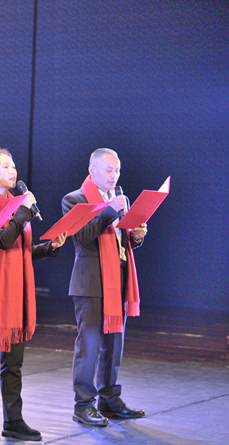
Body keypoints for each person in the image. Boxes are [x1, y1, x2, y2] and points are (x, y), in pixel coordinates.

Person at [0, 148, 66, 442]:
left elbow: (21, 251)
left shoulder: (17, 205)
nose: (13, 171)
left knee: (14, 363)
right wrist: (23, 212)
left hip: (16, 293)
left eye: (13, 166)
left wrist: (49, 248)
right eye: (5, 167)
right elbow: (2, 239)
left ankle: (14, 420)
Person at [62, 148, 147, 426]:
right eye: (109, 170)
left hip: (118, 278)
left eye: (117, 170)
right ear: (92, 170)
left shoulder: (120, 199)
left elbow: (121, 242)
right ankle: (83, 405)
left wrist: (136, 236)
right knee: (89, 345)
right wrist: (111, 209)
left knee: (114, 343)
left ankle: (109, 399)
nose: (114, 175)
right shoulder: (75, 199)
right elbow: (84, 236)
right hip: (90, 282)